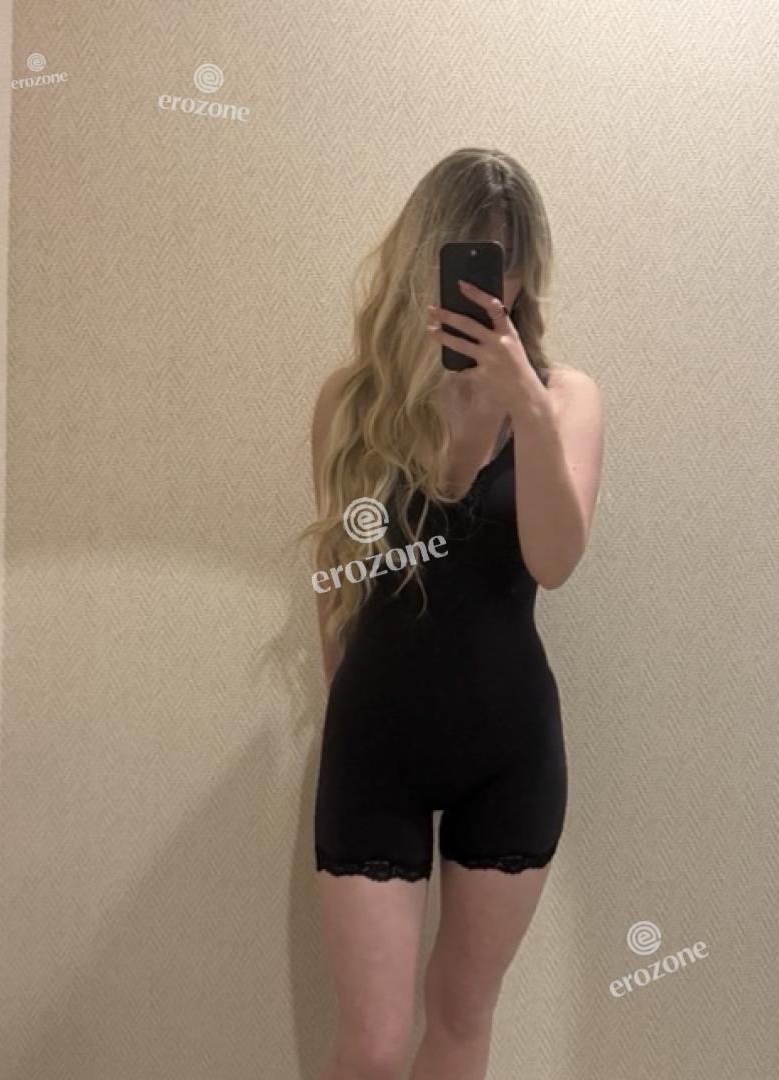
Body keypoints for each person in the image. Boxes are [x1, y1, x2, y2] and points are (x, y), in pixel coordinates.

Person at [301, 147, 604, 1080]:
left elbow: (554, 561)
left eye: (505, 263)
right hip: (376, 746)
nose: (490, 286)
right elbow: (340, 583)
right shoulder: (352, 402)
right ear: (424, 257)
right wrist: (356, 717)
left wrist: (526, 409)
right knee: (372, 1046)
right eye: (469, 259)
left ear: (528, 270)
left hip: (507, 753)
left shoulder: (566, 399)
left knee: (462, 1017)